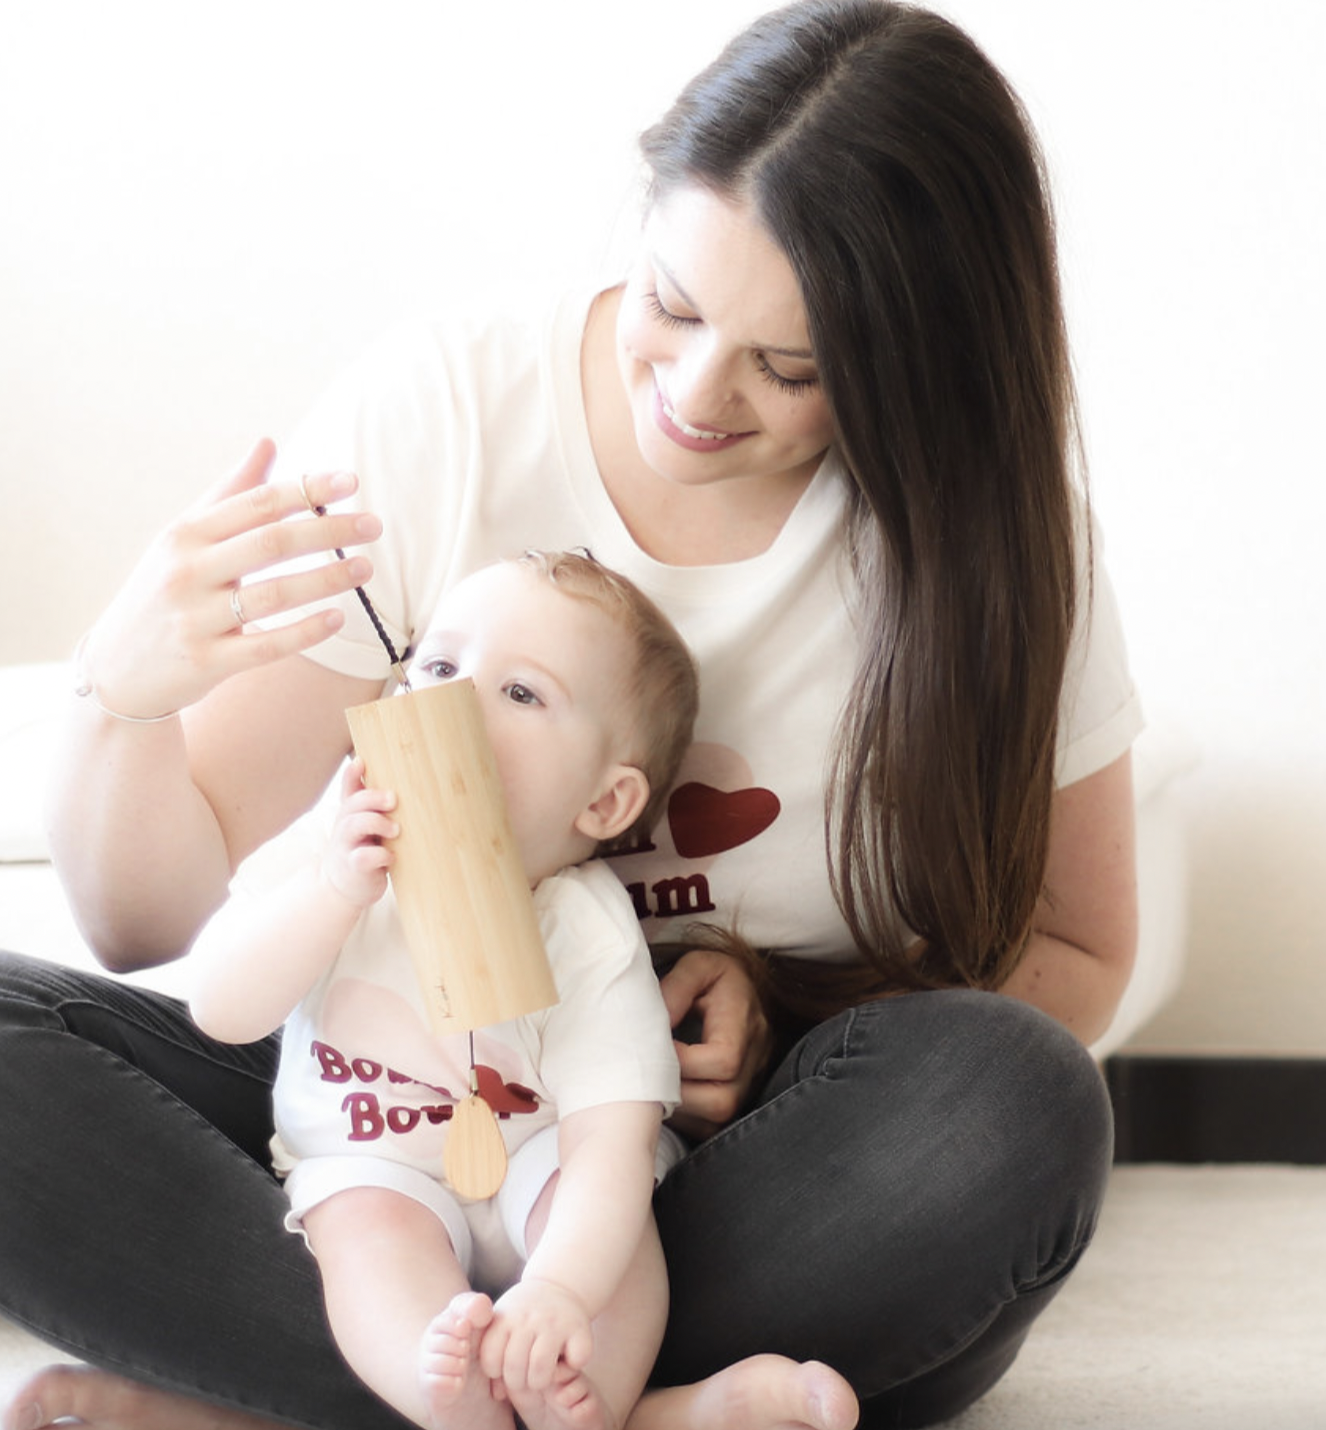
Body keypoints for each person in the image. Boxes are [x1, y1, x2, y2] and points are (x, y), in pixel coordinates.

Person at [0, 3, 1141, 1429]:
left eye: (788, 370)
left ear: (919, 364)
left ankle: (324, 1396)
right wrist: (121, 691)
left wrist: (789, 1012)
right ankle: (624, 1406)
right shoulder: (449, 413)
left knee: (1006, 1115)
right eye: (670, 300)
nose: (690, 391)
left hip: (695, 1169)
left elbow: (1080, 951)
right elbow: (152, 926)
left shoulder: (1003, 557)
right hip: (374, 1109)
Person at [186, 550, 699, 1430]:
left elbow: (611, 1141)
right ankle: (452, 1402)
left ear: (606, 805)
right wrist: (334, 893)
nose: (452, 700)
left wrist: (562, 1290)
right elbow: (220, 1010)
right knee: (361, 1235)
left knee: (612, 1222)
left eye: (523, 692)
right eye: (437, 666)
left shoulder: (583, 926)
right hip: (375, 1164)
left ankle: (587, 1399)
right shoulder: (330, 852)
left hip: (540, 1162)